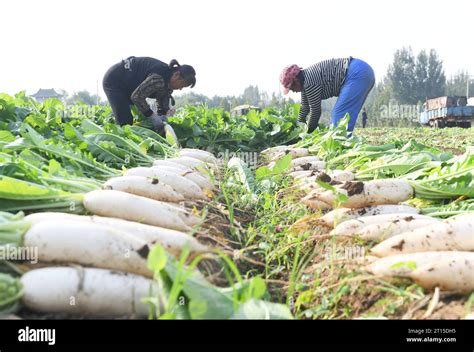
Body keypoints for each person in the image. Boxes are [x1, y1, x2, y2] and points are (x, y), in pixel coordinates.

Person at [279, 57, 375, 135]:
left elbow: (315, 111)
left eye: (291, 88)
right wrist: (298, 128)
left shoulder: (309, 82)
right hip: (361, 70)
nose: (293, 91)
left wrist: (308, 132)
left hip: (356, 73)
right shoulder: (305, 82)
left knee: (339, 115)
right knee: (344, 116)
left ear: (296, 81)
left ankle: (341, 148)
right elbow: (304, 108)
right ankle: (344, 144)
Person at [103, 56, 196, 135]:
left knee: (130, 119)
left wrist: (164, 115)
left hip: (129, 85)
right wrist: (152, 116)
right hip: (115, 81)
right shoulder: (158, 78)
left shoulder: (168, 83)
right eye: (182, 85)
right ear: (176, 75)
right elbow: (137, 97)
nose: (180, 89)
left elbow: (162, 99)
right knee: (125, 122)